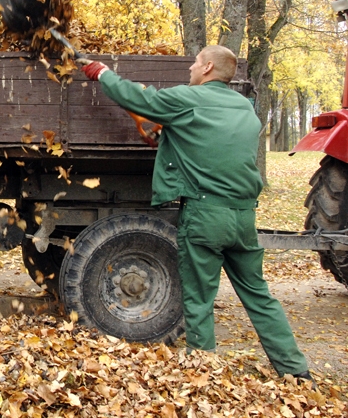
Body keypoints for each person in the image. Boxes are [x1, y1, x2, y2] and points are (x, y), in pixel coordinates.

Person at [81, 45, 313, 385]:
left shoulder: (190, 99)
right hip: (243, 216)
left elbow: (140, 100)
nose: (190, 68)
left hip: (206, 215)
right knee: (259, 295)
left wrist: (101, 72)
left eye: (194, 62)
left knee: (200, 298)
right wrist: (168, 138)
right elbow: (213, 144)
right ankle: (296, 370)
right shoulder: (246, 111)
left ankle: (203, 372)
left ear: (206, 68)